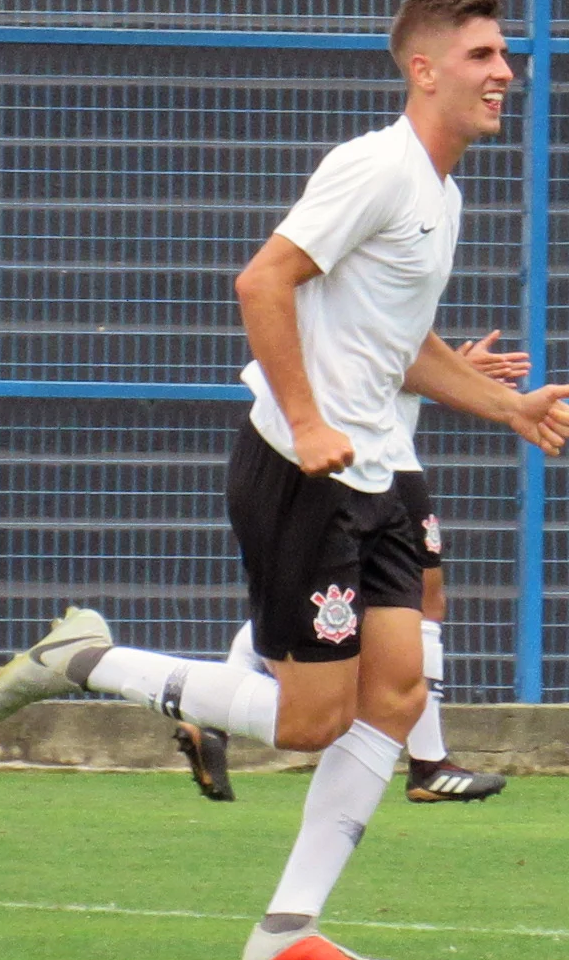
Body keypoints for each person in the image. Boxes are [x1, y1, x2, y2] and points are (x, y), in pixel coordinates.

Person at [0, 0, 569, 960]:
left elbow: (399, 345)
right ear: (423, 70)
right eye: (481, 55)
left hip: (377, 474)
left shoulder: (444, 191)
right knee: (313, 720)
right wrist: (305, 421)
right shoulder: (375, 167)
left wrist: (503, 404)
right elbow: (262, 280)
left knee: (394, 693)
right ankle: (90, 661)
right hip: (303, 473)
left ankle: (287, 931)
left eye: (506, 56)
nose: (505, 73)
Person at [174, 331, 527, 807]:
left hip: (376, 444)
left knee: (359, 600)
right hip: (374, 456)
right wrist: (455, 376)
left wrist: (452, 371)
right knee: (420, 596)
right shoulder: (339, 268)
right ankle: (428, 761)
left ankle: (213, 714)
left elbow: (392, 352)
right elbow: (362, 348)